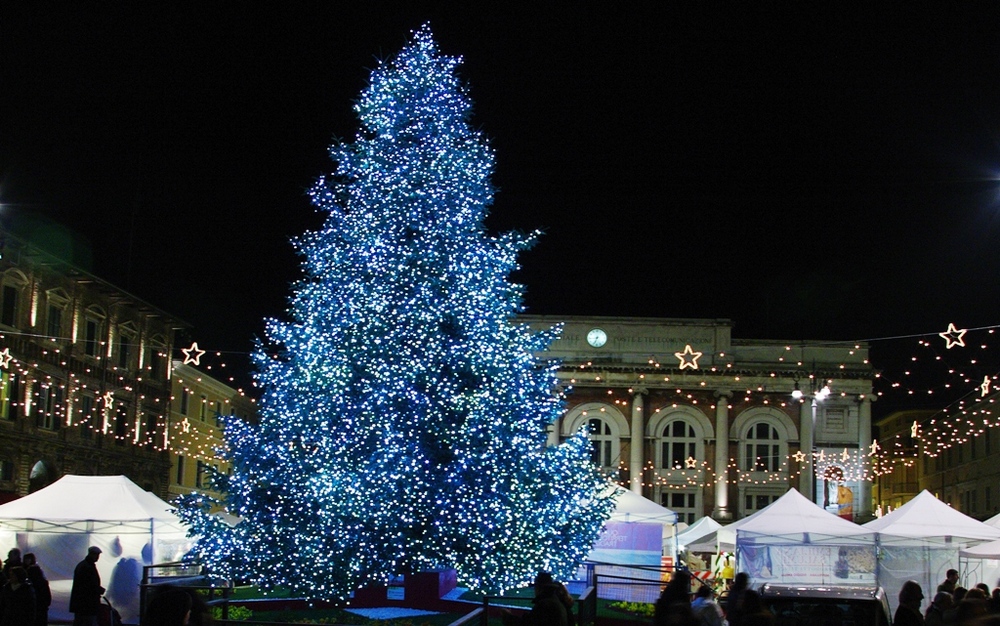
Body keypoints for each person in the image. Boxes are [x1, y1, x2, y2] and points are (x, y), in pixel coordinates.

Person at [500, 571, 568, 626]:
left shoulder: (544, 605)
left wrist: (508, 617)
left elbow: (528, 623)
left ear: (539, 588)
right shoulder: (554, 602)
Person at [69, 546, 105, 626]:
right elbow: (87, 585)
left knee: (80, 621)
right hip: (86, 603)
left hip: (82, 603)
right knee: (87, 621)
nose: (98, 557)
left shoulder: (84, 565)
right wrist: (98, 590)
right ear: (92, 554)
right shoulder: (87, 567)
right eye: (97, 555)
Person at [22, 553, 50, 626]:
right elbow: (47, 598)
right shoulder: (43, 582)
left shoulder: (28, 584)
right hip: (41, 609)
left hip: (35, 609)